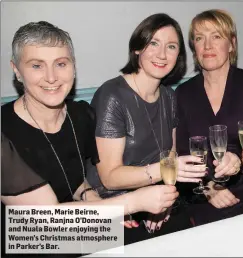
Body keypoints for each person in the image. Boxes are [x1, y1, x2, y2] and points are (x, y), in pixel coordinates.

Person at [1, 21, 178, 254]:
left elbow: (74, 179)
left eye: (61, 64)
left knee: (168, 241)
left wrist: (94, 199)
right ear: (16, 70)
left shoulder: (79, 115)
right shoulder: (4, 131)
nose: (51, 77)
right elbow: (47, 223)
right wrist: (130, 203)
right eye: (36, 66)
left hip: (82, 232)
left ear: (73, 66)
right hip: (32, 241)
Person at [87, 13, 206, 235]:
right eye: (153, 43)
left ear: (178, 55)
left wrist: (162, 202)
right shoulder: (112, 95)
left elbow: (169, 155)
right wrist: (160, 175)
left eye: (171, 47)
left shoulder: (169, 96)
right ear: (137, 48)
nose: (162, 54)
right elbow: (109, 178)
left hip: (152, 198)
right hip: (113, 207)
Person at [175, 9, 243, 216]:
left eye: (216, 36)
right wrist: (210, 188)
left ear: (232, 44)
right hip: (201, 192)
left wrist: (240, 158)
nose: (207, 45)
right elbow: (182, 153)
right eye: (200, 38)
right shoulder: (183, 93)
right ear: (194, 47)